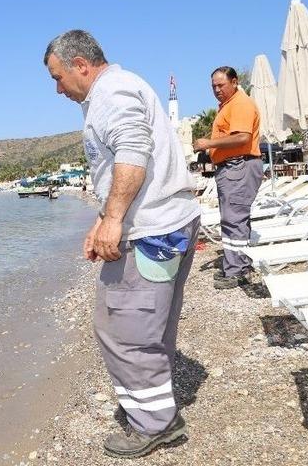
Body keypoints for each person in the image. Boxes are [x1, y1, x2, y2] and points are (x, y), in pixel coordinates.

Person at [44, 30, 201, 459]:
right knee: (151, 327)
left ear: (80, 64)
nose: (58, 89)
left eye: (58, 77)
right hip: (166, 226)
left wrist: (114, 219)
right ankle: (156, 407)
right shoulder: (119, 89)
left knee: (125, 332)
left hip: (151, 234)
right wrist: (101, 221)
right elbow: (119, 167)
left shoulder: (111, 92)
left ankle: (156, 425)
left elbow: (133, 153)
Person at [193, 66, 262, 289]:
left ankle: (237, 270)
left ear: (234, 82)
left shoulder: (240, 103)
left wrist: (209, 144)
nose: (216, 90)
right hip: (233, 166)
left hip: (239, 165)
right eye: (213, 86)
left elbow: (242, 137)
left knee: (234, 219)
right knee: (235, 218)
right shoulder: (229, 105)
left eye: (221, 85)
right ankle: (237, 264)